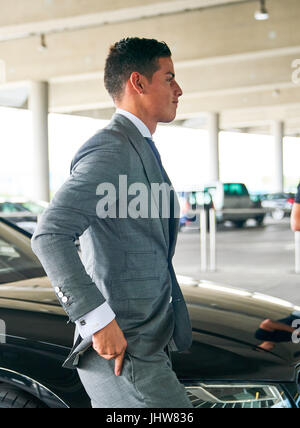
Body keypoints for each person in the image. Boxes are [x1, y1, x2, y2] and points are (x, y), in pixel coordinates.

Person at [31, 37, 193, 408]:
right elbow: (50, 234)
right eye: (169, 78)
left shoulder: (138, 146)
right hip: (123, 349)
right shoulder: (112, 148)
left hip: (148, 341)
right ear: (138, 82)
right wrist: (97, 322)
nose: (178, 89)